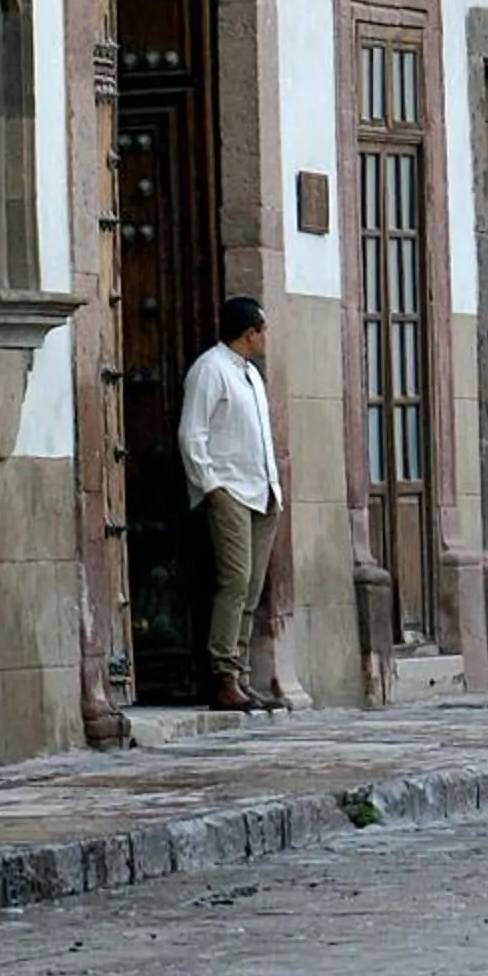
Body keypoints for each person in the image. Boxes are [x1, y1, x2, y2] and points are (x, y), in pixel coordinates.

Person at [178, 294, 283, 710]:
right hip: (231, 491)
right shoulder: (210, 370)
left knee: (252, 587)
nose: (266, 337)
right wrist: (210, 486)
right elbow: (192, 433)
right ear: (249, 333)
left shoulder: (251, 375)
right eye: (263, 329)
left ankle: (239, 674)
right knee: (234, 581)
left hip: (262, 490)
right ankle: (223, 672)